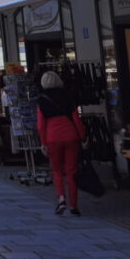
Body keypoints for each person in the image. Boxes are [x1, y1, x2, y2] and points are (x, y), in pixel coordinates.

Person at [37, 70, 87, 216]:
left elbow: (41, 125)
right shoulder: (67, 97)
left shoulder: (42, 100)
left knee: (57, 171)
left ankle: (61, 199)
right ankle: (74, 205)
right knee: (71, 172)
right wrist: (82, 136)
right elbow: (76, 119)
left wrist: (43, 142)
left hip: (53, 138)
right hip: (71, 136)